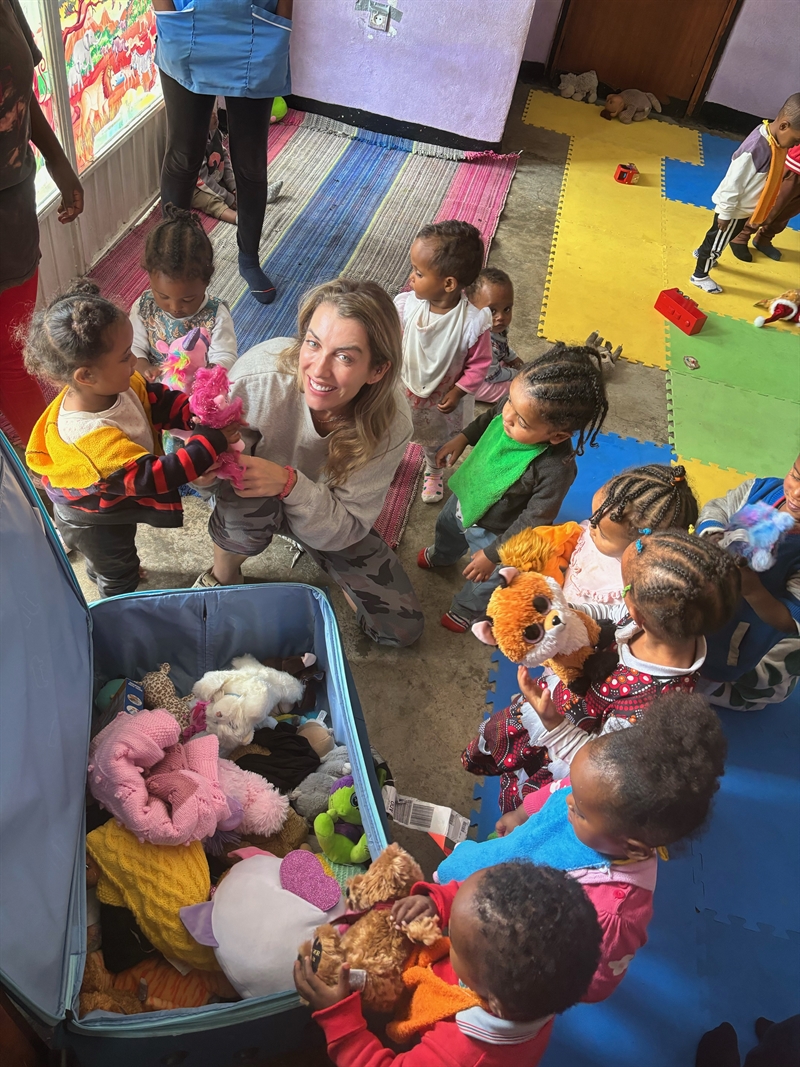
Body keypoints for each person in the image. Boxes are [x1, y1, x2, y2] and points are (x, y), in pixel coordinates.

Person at [437, 692, 727, 1003]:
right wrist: (521, 815)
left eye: (581, 811)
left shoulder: (614, 912)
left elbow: (592, 983)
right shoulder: (589, 795)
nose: (569, 802)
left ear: (634, 848)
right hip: (486, 870)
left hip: (490, 953)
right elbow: (557, 792)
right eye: (575, 788)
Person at [194, 277, 424, 648]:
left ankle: (327, 562)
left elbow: (347, 526)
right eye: (313, 344)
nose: (318, 370)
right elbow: (204, 466)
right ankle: (223, 574)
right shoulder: (256, 378)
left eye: (345, 357)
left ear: (378, 370)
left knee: (400, 630)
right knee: (245, 507)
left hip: (325, 509)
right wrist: (202, 474)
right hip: (250, 497)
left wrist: (289, 484)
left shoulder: (391, 423)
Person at [462, 465, 699, 810]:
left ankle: (514, 811)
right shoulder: (641, 602)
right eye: (594, 518)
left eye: (600, 531)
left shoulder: (635, 595)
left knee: (528, 791)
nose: (590, 527)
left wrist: (554, 720)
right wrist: (557, 605)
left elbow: (599, 763)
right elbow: (602, 615)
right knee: (513, 732)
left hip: (570, 727)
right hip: (560, 672)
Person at [24, 280, 238, 598]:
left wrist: (191, 412)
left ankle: (111, 564)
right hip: (91, 517)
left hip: (113, 501)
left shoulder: (114, 382)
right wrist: (211, 441)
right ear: (86, 375)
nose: (135, 362)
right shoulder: (91, 442)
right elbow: (157, 476)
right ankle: (117, 597)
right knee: (116, 567)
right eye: (126, 356)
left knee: (121, 545)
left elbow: (154, 398)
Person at [294, 860, 602, 1067]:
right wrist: (436, 901)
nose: (445, 925)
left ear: (488, 997)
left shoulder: (463, 1052)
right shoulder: (531, 978)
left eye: (451, 931)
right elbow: (474, 897)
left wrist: (339, 1021)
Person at [417, 343, 608, 633]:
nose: (507, 416)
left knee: (488, 577)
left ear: (557, 436)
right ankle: (443, 556)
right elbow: (488, 418)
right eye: (509, 403)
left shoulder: (557, 468)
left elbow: (534, 519)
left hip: (497, 531)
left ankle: (466, 609)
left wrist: (492, 554)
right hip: (465, 496)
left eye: (520, 421)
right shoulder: (513, 409)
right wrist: (463, 438)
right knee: (446, 528)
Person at [152, 0, 293, 304]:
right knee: (184, 156)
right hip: (187, 22)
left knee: (251, 162)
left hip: (258, 25)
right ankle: (170, 260)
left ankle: (249, 258)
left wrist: (283, 18)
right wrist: (166, 15)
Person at [0, 0, 84, 444]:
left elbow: (19, 93)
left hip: (11, 205)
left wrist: (56, 158)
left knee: (13, 357)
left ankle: (58, 476)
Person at [395, 220, 492, 503]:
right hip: (404, 390)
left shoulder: (472, 324)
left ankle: (433, 470)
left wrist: (459, 390)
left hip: (442, 402)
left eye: (419, 272)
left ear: (448, 283)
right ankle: (389, 461)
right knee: (396, 428)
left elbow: (479, 364)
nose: (411, 278)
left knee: (435, 439)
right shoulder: (406, 306)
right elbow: (395, 342)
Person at [695, 458, 800, 710]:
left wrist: (752, 589)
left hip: (739, 631)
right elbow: (717, 508)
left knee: (715, 668)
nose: (795, 494)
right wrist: (712, 534)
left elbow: (790, 619)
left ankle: (723, 693)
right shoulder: (761, 490)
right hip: (702, 599)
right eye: (796, 476)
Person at [690, 93, 800, 295]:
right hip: (734, 210)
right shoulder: (757, 148)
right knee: (718, 241)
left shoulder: (771, 138)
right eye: (796, 140)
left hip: (741, 209)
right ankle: (700, 275)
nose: (794, 146)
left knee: (717, 237)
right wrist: (725, 212)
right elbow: (733, 182)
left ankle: (702, 252)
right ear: (784, 126)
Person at [131, 205, 237, 380]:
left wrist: (207, 374)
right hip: (156, 390)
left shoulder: (215, 315)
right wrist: (144, 367)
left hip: (195, 393)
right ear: (149, 277)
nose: (174, 307)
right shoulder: (144, 306)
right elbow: (134, 347)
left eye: (188, 299)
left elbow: (226, 356)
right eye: (163, 296)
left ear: (206, 282)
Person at [191, 106, 283, 226]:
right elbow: (203, 181)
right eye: (208, 113)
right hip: (198, 188)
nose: (214, 114)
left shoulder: (214, 132)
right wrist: (227, 197)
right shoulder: (194, 146)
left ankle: (258, 197)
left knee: (239, 181)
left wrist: (233, 185)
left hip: (215, 176)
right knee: (211, 201)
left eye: (212, 110)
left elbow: (223, 157)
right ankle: (239, 219)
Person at [730, 144, 800, 261]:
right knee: (772, 206)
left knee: (788, 211)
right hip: (795, 166)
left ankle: (764, 238)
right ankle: (741, 235)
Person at [466, 267, 523, 403]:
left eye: (507, 309)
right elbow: (493, 376)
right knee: (515, 389)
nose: (501, 317)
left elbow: (502, 346)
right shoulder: (483, 342)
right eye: (492, 311)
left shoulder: (496, 327)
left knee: (502, 363)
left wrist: (513, 358)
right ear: (472, 308)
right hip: (474, 381)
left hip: (487, 366)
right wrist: (516, 374)